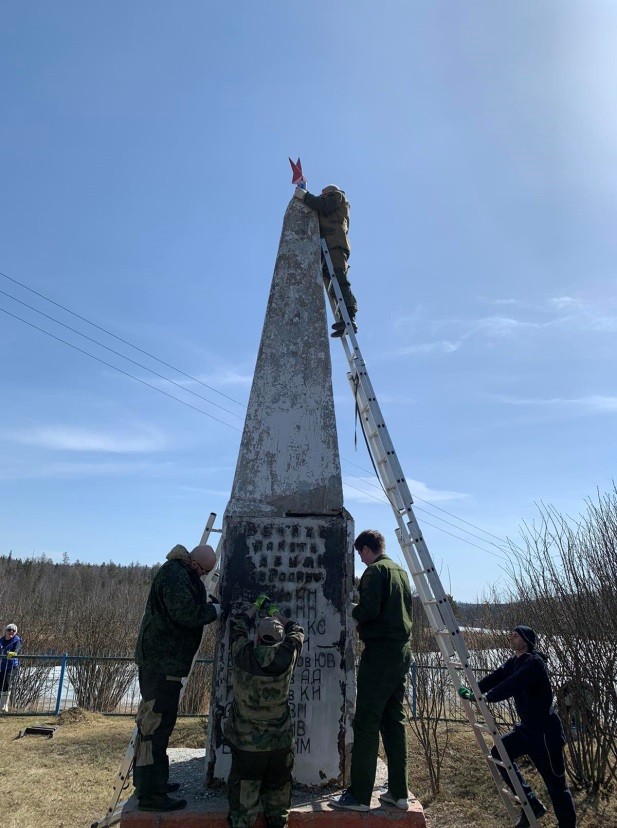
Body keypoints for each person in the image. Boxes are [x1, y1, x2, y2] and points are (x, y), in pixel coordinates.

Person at [459, 626, 577, 828]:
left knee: (556, 785)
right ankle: (531, 804)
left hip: (546, 734)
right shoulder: (513, 662)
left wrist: (488, 697)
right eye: (511, 635)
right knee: (499, 752)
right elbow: (496, 677)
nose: (511, 638)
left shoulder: (535, 663)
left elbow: (514, 683)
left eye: (516, 636)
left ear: (527, 640)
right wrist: (474, 690)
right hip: (527, 731)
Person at [133, 543, 221, 812]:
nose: (203, 575)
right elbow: (185, 614)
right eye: (204, 571)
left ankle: (155, 783)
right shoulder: (174, 575)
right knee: (154, 728)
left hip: (166, 664)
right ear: (195, 564)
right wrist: (215, 611)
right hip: (161, 664)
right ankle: (150, 794)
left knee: (159, 726)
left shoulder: (182, 574)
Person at [331, 530, 413, 812]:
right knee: (394, 720)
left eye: (360, 553)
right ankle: (399, 793)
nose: (361, 559)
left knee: (366, 721)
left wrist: (351, 609)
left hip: (379, 654)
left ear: (366, 549)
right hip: (401, 652)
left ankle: (359, 795)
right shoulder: (401, 572)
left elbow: (369, 610)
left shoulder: (375, 572)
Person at [225, 598, 304, 828]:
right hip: (280, 745)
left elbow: (237, 624)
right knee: (278, 810)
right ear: (280, 640)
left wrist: (256, 607)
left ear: (258, 637)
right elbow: (297, 630)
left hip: (247, 745)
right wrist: (276, 614)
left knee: (243, 809)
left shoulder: (242, 653)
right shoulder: (287, 655)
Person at [294, 184, 358, 337]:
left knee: (340, 279)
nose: (322, 196)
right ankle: (344, 320)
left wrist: (305, 196)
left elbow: (323, 205)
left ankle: (350, 317)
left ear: (330, 192)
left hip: (335, 245)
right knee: (334, 285)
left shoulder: (337, 196)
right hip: (328, 247)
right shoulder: (331, 201)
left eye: (323, 194)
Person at [0, 623, 22, 713]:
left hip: (12, 666)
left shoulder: (17, 640)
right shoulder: (1, 640)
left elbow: (17, 649)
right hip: (2, 666)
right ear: (5, 631)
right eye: (9, 630)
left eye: (14, 631)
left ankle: (4, 705)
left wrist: (13, 653)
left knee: (7, 682)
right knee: (1, 684)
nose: (11, 632)